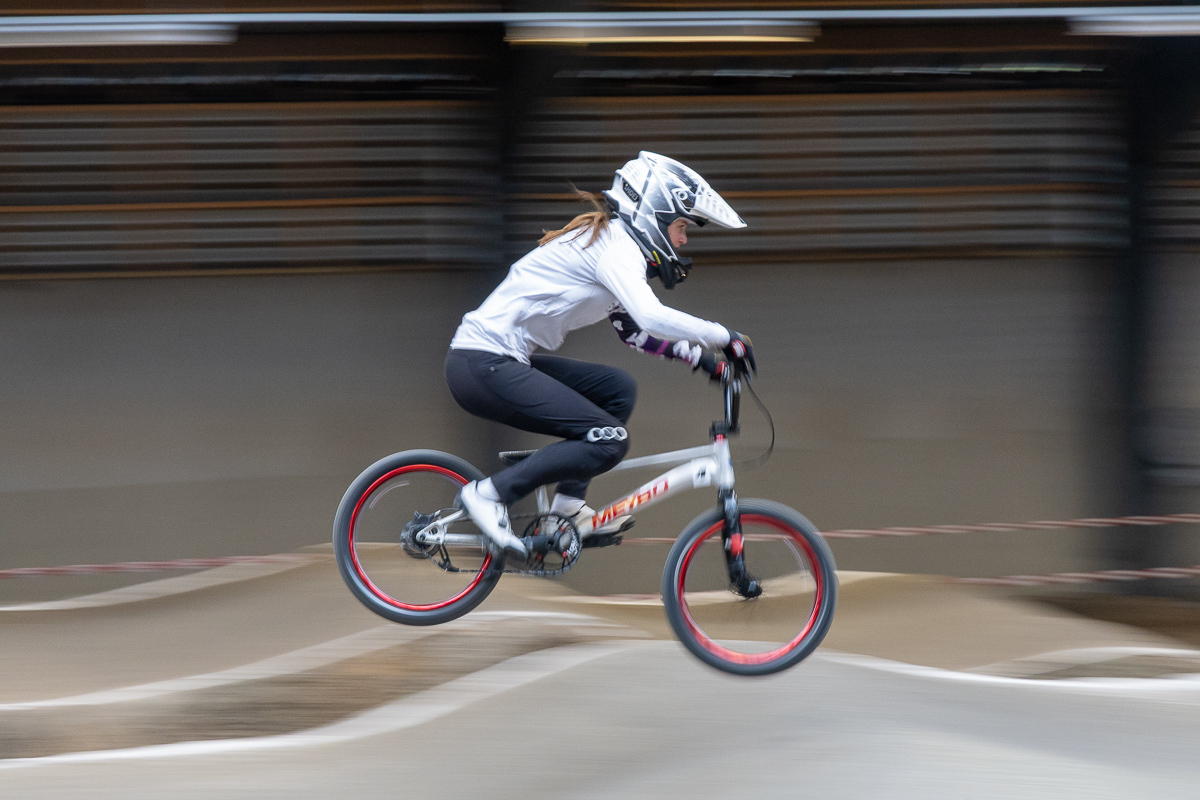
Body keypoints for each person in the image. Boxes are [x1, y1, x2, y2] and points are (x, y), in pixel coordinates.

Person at [444, 151, 757, 557]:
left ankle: (568, 509)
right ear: (654, 215)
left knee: (617, 389)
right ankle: (488, 494)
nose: (682, 239)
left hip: (495, 361)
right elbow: (651, 316)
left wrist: (702, 360)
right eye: (681, 227)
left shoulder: (614, 249)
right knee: (608, 441)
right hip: (481, 364)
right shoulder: (617, 249)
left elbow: (635, 332)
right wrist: (724, 337)